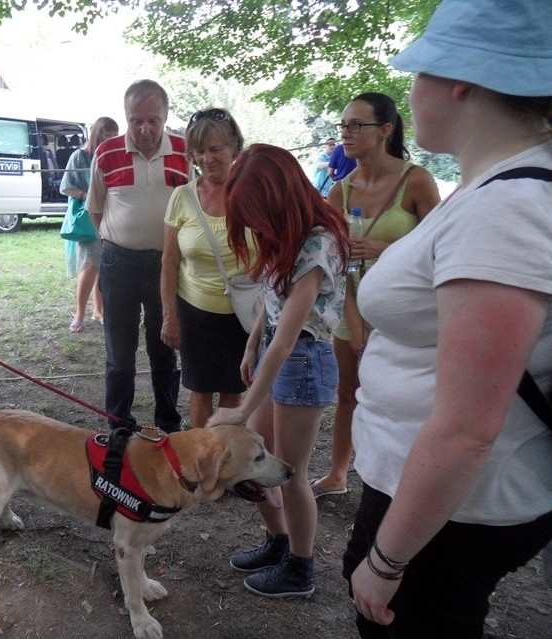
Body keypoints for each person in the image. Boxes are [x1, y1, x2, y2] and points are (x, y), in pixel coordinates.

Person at [341, 0, 552, 636]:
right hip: (447, 499)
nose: (412, 90)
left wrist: (386, 557)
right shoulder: (499, 187)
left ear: (459, 80)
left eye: (419, 73)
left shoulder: (507, 208)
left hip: (451, 509)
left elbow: (467, 428)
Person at [206, 144, 350, 597]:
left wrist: (238, 407)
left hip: (305, 361)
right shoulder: (287, 233)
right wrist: (251, 344)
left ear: (280, 196)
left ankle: (300, 569)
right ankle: (279, 542)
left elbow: (290, 337)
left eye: (255, 211)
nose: (250, 223)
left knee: (289, 471)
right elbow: (273, 313)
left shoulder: (318, 242)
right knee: (256, 462)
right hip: (275, 350)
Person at [309, 93, 440, 499]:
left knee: (404, 399)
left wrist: (385, 251)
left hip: (405, 315)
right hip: (353, 308)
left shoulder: (415, 180)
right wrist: (353, 317)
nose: (346, 134)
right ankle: (338, 474)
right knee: (349, 392)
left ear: (385, 130)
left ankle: (406, 478)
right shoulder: (340, 191)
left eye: (356, 125)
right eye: (343, 125)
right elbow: (335, 263)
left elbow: (442, 247)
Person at [86, 79, 191, 433]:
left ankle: (168, 423)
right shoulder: (107, 152)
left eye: (153, 120)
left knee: (166, 349)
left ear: (165, 116)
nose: (144, 129)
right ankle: (119, 425)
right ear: (126, 117)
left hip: (167, 265)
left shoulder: (184, 151)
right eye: (136, 120)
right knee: (120, 354)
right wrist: (118, 238)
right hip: (120, 264)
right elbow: (96, 208)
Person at [160, 108, 252, 428]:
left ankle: (225, 465)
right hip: (195, 311)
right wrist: (170, 316)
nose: (207, 158)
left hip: (243, 313)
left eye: (216, 149)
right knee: (199, 392)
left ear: (234, 148)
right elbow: (169, 263)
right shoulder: (182, 197)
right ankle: (200, 461)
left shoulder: (254, 193)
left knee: (233, 391)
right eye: (199, 151)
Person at [59, 116, 118, 332]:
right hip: (88, 218)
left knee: (104, 266)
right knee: (90, 265)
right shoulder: (80, 156)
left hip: (110, 217)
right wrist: (88, 196)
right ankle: (80, 313)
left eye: (113, 134)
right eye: (105, 133)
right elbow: (66, 187)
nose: (109, 138)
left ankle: (98, 311)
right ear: (96, 134)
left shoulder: (112, 156)